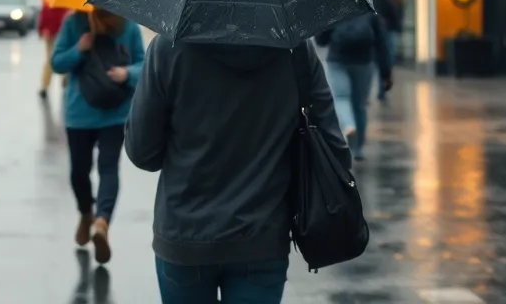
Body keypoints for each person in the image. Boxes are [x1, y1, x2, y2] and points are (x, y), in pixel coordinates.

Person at [126, 37, 347, 304]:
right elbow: (335, 149)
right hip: (262, 236)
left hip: (184, 234)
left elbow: (142, 153)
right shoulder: (295, 48)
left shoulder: (169, 46)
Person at [50, 7, 144, 265]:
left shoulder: (129, 26)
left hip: (115, 114)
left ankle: (101, 222)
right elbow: (56, 63)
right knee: (79, 172)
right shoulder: (75, 23)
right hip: (79, 113)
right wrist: (79, 48)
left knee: (108, 167)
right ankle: (86, 213)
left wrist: (128, 74)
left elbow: (143, 63)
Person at [315, 9, 391, 160]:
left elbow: (321, 40)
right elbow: (382, 42)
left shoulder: (334, 8)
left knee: (341, 98)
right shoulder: (369, 10)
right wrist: (386, 73)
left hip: (337, 60)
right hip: (364, 61)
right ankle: (358, 149)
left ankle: (349, 126)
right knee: (360, 105)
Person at [373, 0, 402, 101]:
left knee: (376, 61)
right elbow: (394, 16)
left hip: (373, 33)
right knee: (384, 59)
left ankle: (380, 88)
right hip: (386, 32)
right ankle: (382, 88)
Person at [37, 4, 70, 98]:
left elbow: (44, 15)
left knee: (50, 60)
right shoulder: (68, 2)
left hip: (52, 33)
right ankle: (64, 83)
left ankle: (45, 86)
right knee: (62, 58)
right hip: (59, 32)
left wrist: (42, 29)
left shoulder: (49, 1)